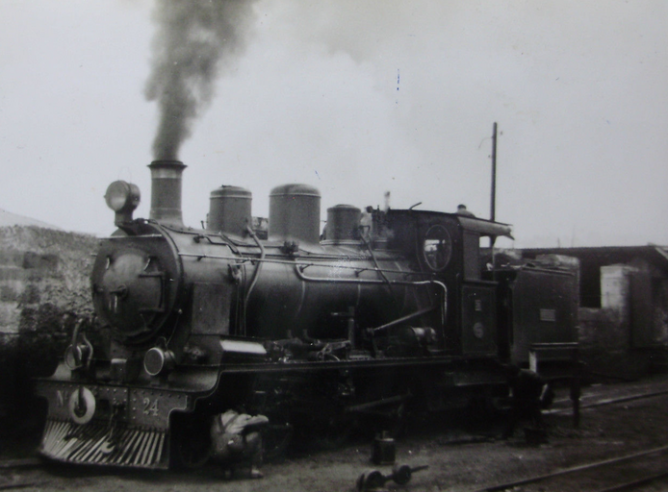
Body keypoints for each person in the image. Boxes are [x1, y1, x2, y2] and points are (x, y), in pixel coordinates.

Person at [210, 409, 269, 479]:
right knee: (255, 436)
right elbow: (265, 419)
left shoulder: (216, 419)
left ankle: (227, 471)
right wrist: (258, 415)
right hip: (233, 445)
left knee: (223, 448)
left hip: (218, 449)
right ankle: (255, 469)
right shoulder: (240, 418)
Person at [501, 366, 550, 441]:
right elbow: (510, 386)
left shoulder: (530, 375)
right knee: (513, 415)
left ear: (519, 372)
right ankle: (507, 435)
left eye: (516, 376)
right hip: (519, 396)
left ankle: (543, 433)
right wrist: (511, 394)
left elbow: (544, 385)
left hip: (532, 395)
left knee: (537, 415)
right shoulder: (511, 376)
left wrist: (541, 396)